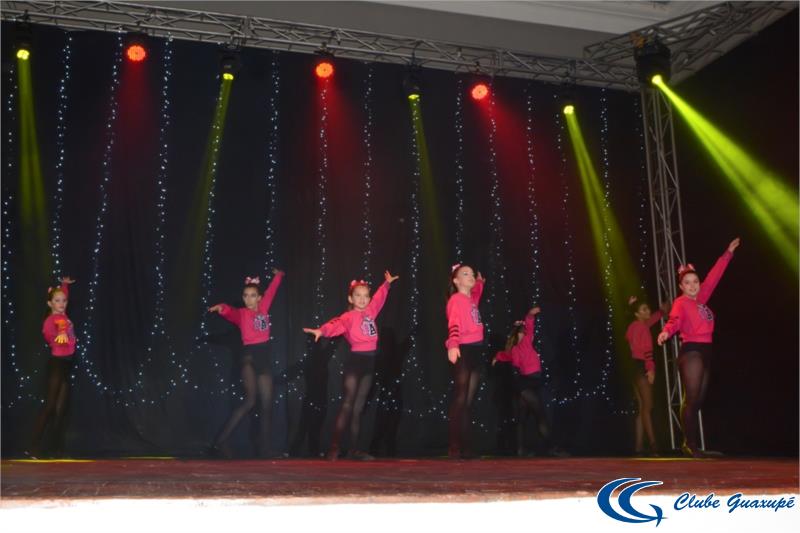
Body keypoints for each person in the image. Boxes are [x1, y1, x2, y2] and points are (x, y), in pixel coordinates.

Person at [657, 238, 740, 458]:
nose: (693, 286)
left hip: (706, 351)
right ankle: (690, 444)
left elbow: (714, 277)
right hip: (692, 351)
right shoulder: (681, 303)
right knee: (692, 398)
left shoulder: (701, 299)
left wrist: (728, 253)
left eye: (695, 281)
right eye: (688, 283)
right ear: (681, 287)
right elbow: (674, 320)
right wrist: (666, 332)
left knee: (697, 401)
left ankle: (690, 443)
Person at [303, 270, 398, 461]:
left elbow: (379, 299)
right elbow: (334, 324)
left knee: (358, 408)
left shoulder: (371, 311)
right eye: (358, 296)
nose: (362, 299)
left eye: (365, 296)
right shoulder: (348, 316)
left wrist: (386, 284)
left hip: (369, 363)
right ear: (351, 298)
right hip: (355, 364)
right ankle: (334, 448)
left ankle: (354, 449)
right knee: (347, 404)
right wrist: (322, 330)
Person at [208, 269, 284, 457]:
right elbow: (231, 313)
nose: (248, 299)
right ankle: (219, 442)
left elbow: (272, 291)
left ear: (259, 298)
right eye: (245, 295)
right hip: (249, 359)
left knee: (267, 405)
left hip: (264, 360)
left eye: (252, 296)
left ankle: (265, 450)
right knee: (250, 401)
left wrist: (278, 276)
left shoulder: (264, 308)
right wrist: (222, 308)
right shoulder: (241, 314)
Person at [29, 277, 77, 458]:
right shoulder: (51, 320)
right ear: (50, 303)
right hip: (57, 363)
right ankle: (33, 447)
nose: (62, 303)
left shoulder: (62, 316)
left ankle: (55, 449)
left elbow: (63, 295)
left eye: (64, 301)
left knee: (60, 409)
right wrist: (58, 335)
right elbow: (48, 334)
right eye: (57, 301)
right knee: (50, 406)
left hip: (66, 364)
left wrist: (65, 286)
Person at [445, 263, 485, 459]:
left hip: (477, 350)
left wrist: (480, 283)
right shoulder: (456, 300)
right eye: (465, 274)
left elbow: (476, 293)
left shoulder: (470, 300)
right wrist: (453, 344)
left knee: (468, 401)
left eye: (472, 274)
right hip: (464, 350)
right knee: (461, 398)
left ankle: (466, 447)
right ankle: (454, 446)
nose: (471, 276)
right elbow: (453, 323)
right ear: (456, 280)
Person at [625, 296, 669, 456]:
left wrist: (661, 312)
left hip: (634, 367)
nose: (648, 311)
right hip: (641, 366)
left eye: (647, 308)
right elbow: (644, 350)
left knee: (642, 408)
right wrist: (650, 369)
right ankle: (653, 445)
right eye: (644, 309)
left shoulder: (634, 326)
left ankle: (638, 447)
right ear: (637, 314)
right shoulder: (640, 327)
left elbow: (648, 322)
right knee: (647, 407)